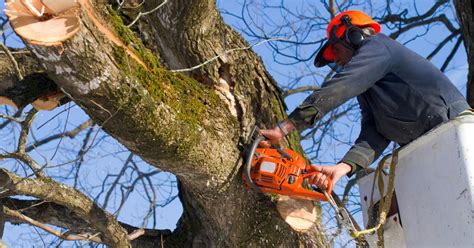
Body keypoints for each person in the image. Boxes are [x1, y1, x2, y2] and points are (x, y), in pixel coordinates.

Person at [260, 10, 471, 190]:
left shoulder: (379, 47)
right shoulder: (370, 87)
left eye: (337, 50)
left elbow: (343, 85)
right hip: (430, 147)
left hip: (454, 129)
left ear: (354, 36)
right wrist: (343, 167)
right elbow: (375, 132)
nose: (338, 60)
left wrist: (285, 127)